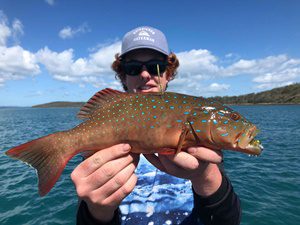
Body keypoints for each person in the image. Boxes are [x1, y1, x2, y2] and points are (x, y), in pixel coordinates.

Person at [72, 26, 241, 225]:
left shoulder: (202, 140)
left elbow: (228, 221)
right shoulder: (100, 147)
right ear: (123, 75)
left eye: (155, 66)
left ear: (168, 73)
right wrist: (97, 210)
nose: (145, 75)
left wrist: (205, 175)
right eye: (133, 68)